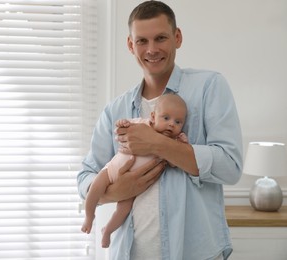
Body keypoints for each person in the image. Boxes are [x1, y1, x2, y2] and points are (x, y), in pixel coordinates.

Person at [77, 1, 243, 259]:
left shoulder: (209, 87)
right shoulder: (115, 110)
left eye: (161, 38)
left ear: (177, 38)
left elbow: (230, 167)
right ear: (131, 45)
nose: (152, 49)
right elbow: (86, 176)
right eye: (142, 41)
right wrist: (117, 191)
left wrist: (156, 144)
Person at [81, 93, 188, 248]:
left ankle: (108, 231)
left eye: (178, 122)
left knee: (124, 209)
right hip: (111, 170)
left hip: (134, 188)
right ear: (153, 116)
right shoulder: (142, 124)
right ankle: (89, 217)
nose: (171, 124)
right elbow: (122, 130)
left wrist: (182, 145)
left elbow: (174, 163)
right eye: (166, 118)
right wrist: (123, 123)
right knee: (96, 187)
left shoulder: (171, 143)